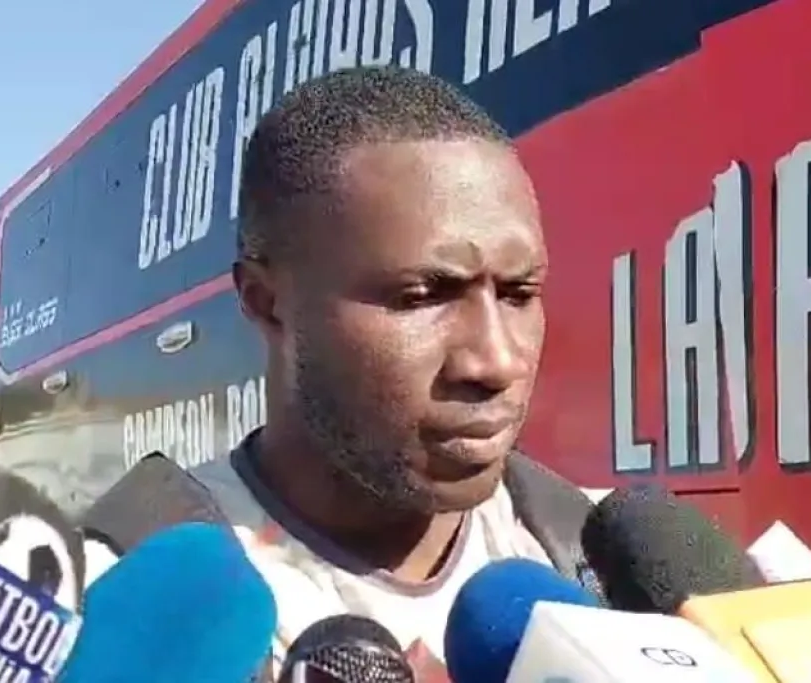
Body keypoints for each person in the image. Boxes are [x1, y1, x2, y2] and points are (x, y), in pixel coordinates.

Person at [84, 65, 597, 678]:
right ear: (266, 301)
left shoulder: (596, 564)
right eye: (421, 296)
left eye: (519, 293)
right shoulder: (112, 597)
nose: (496, 361)